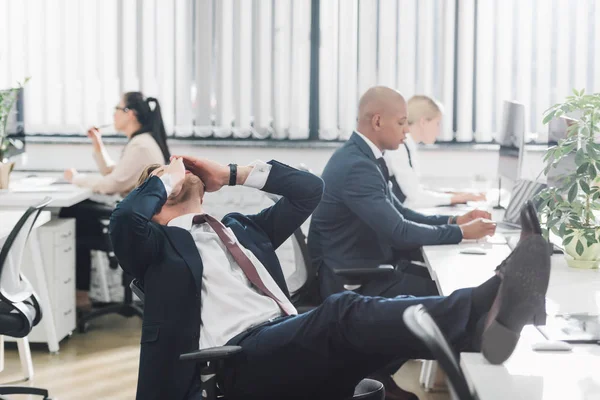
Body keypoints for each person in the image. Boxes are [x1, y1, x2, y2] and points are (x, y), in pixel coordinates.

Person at [109, 155, 550, 400]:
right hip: (233, 363)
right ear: (156, 203)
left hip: (284, 341)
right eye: (160, 179)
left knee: (364, 333)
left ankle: (484, 319)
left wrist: (231, 173)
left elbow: (310, 190)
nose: (175, 168)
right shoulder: (155, 250)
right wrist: (162, 179)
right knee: (342, 314)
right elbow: (126, 219)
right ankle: (482, 310)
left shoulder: (244, 229)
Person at [308, 86, 497, 302]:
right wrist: (461, 233)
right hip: (354, 285)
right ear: (377, 122)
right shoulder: (357, 167)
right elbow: (400, 231)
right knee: (458, 295)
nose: (406, 130)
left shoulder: (365, 157)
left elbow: (402, 213)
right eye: (401, 122)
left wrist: (455, 221)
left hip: (368, 267)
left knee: (458, 284)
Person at [60, 92, 170, 311]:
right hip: (141, 216)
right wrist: (97, 144)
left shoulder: (141, 145)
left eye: (117, 109)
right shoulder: (141, 141)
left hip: (138, 221)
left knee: (73, 215)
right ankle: (80, 294)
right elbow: (117, 173)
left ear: (130, 114)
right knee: (80, 216)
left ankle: (80, 295)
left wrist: (76, 179)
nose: (113, 114)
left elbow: (112, 184)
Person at [384, 95, 486, 208]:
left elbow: (415, 188)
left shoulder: (408, 145)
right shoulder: (398, 147)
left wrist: (454, 194)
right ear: (423, 122)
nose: (439, 131)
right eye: (437, 123)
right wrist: (458, 198)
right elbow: (415, 196)